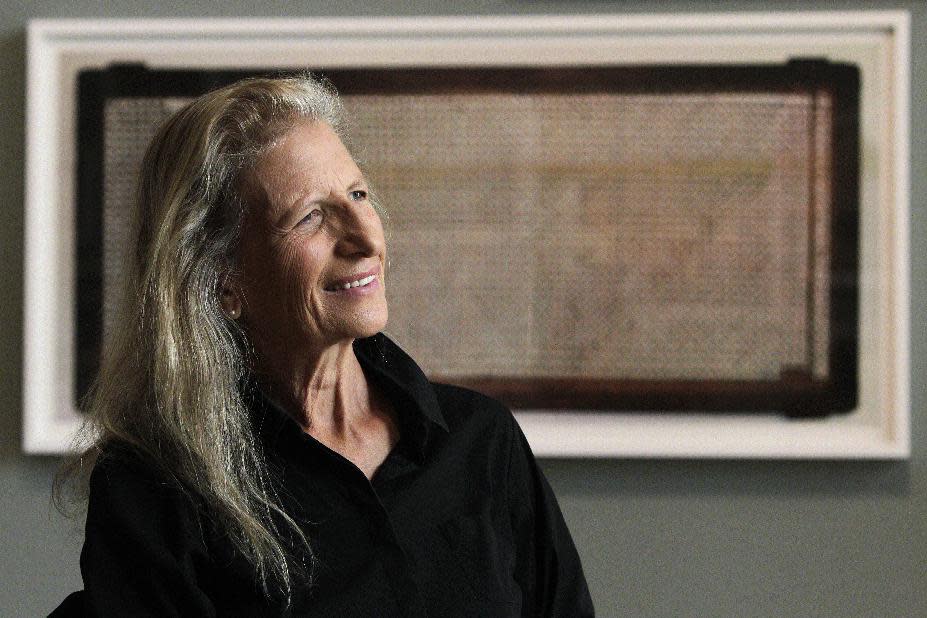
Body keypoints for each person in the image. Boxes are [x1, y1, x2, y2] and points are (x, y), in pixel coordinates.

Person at [53, 75, 594, 617]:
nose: (365, 237)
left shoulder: (482, 440)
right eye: (310, 216)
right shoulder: (155, 488)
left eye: (358, 195)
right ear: (223, 280)